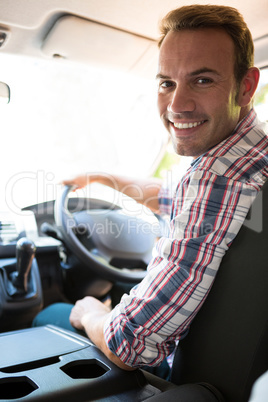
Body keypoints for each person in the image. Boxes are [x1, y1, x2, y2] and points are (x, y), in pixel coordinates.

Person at [33, 4, 268, 377]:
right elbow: (171, 195)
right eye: (166, 83)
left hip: (180, 379)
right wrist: (104, 178)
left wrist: (92, 312)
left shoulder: (217, 178)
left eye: (202, 80)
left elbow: (131, 345)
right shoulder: (251, 153)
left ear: (246, 87)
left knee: (50, 314)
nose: (176, 105)